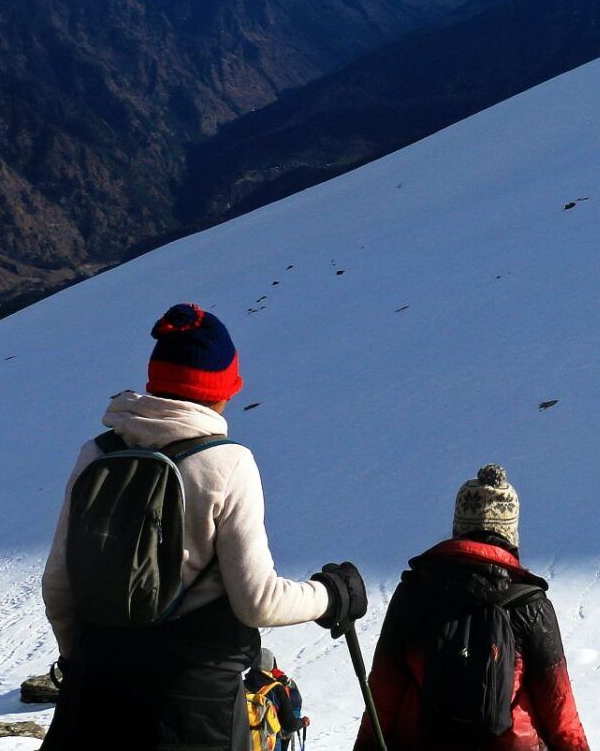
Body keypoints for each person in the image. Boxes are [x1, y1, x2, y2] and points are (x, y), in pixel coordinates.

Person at [42, 303, 365, 751]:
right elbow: (258, 602)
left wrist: (79, 660)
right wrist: (333, 595)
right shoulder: (227, 463)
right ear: (223, 389)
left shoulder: (96, 454)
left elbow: (58, 584)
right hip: (192, 707)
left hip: (95, 693)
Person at [354, 466, 590, 751]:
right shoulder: (530, 605)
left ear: (459, 527)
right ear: (510, 533)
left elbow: (381, 699)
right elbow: (560, 714)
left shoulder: (414, 593)